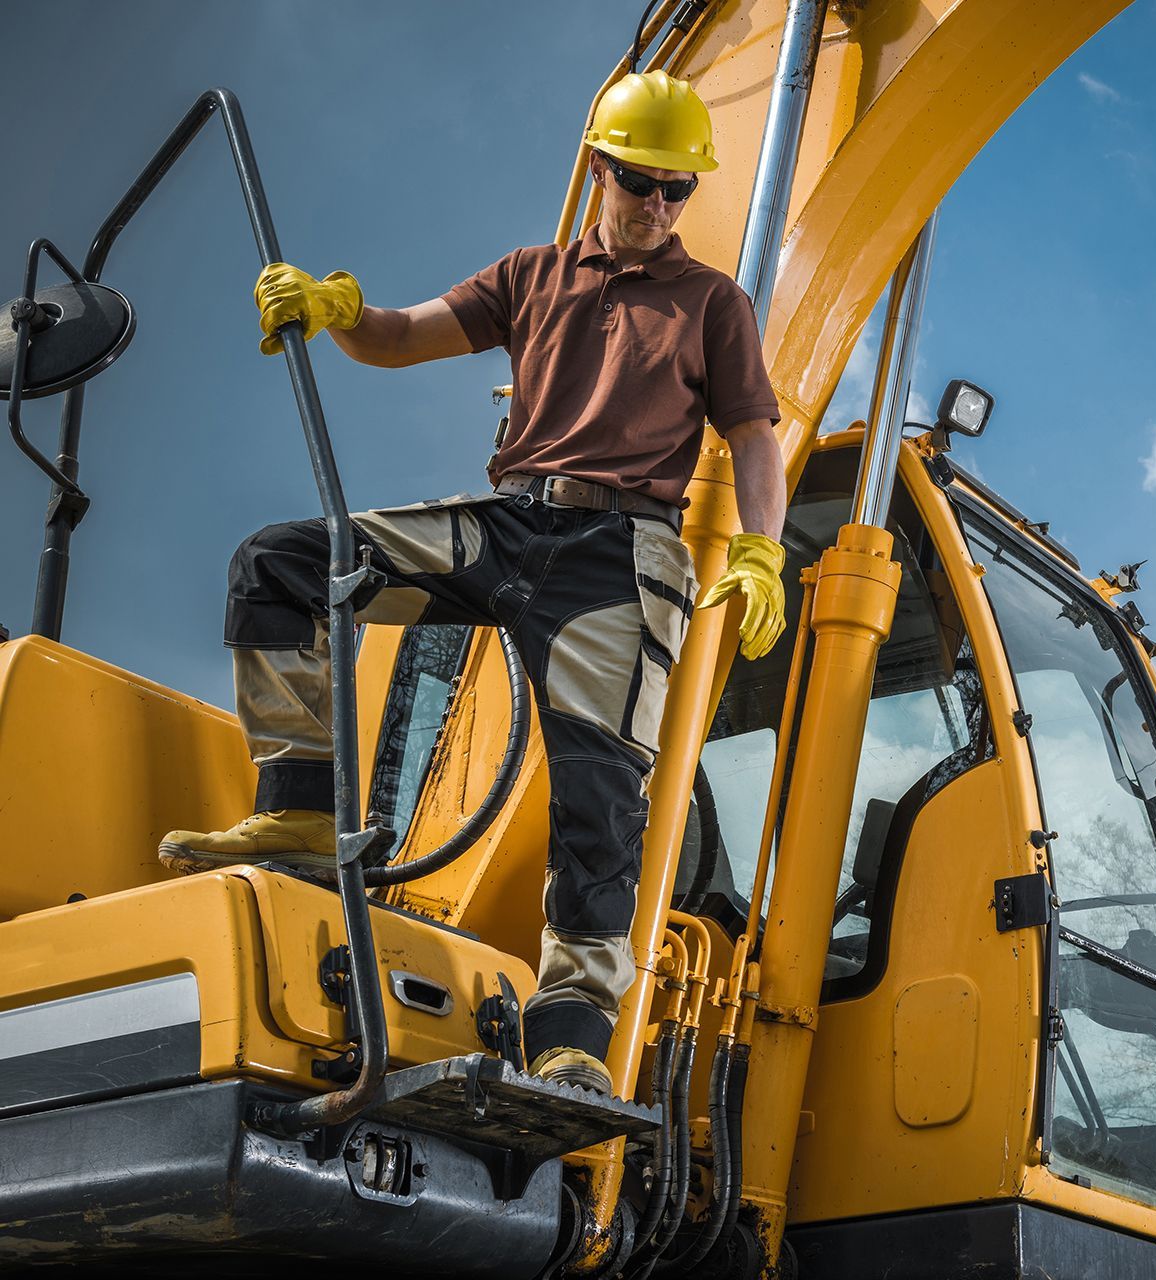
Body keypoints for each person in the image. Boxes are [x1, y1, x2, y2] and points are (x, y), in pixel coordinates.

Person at [157, 71, 788, 1096]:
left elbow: (754, 434)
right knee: (279, 562)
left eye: (677, 189)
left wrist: (761, 546)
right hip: (508, 521)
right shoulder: (534, 274)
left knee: (600, 794)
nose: (658, 207)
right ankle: (305, 807)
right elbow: (405, 336)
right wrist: (338, 309)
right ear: (599, 168)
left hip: (617, 556)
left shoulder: (712, 303)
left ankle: (573, 1023)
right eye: (640, 182)